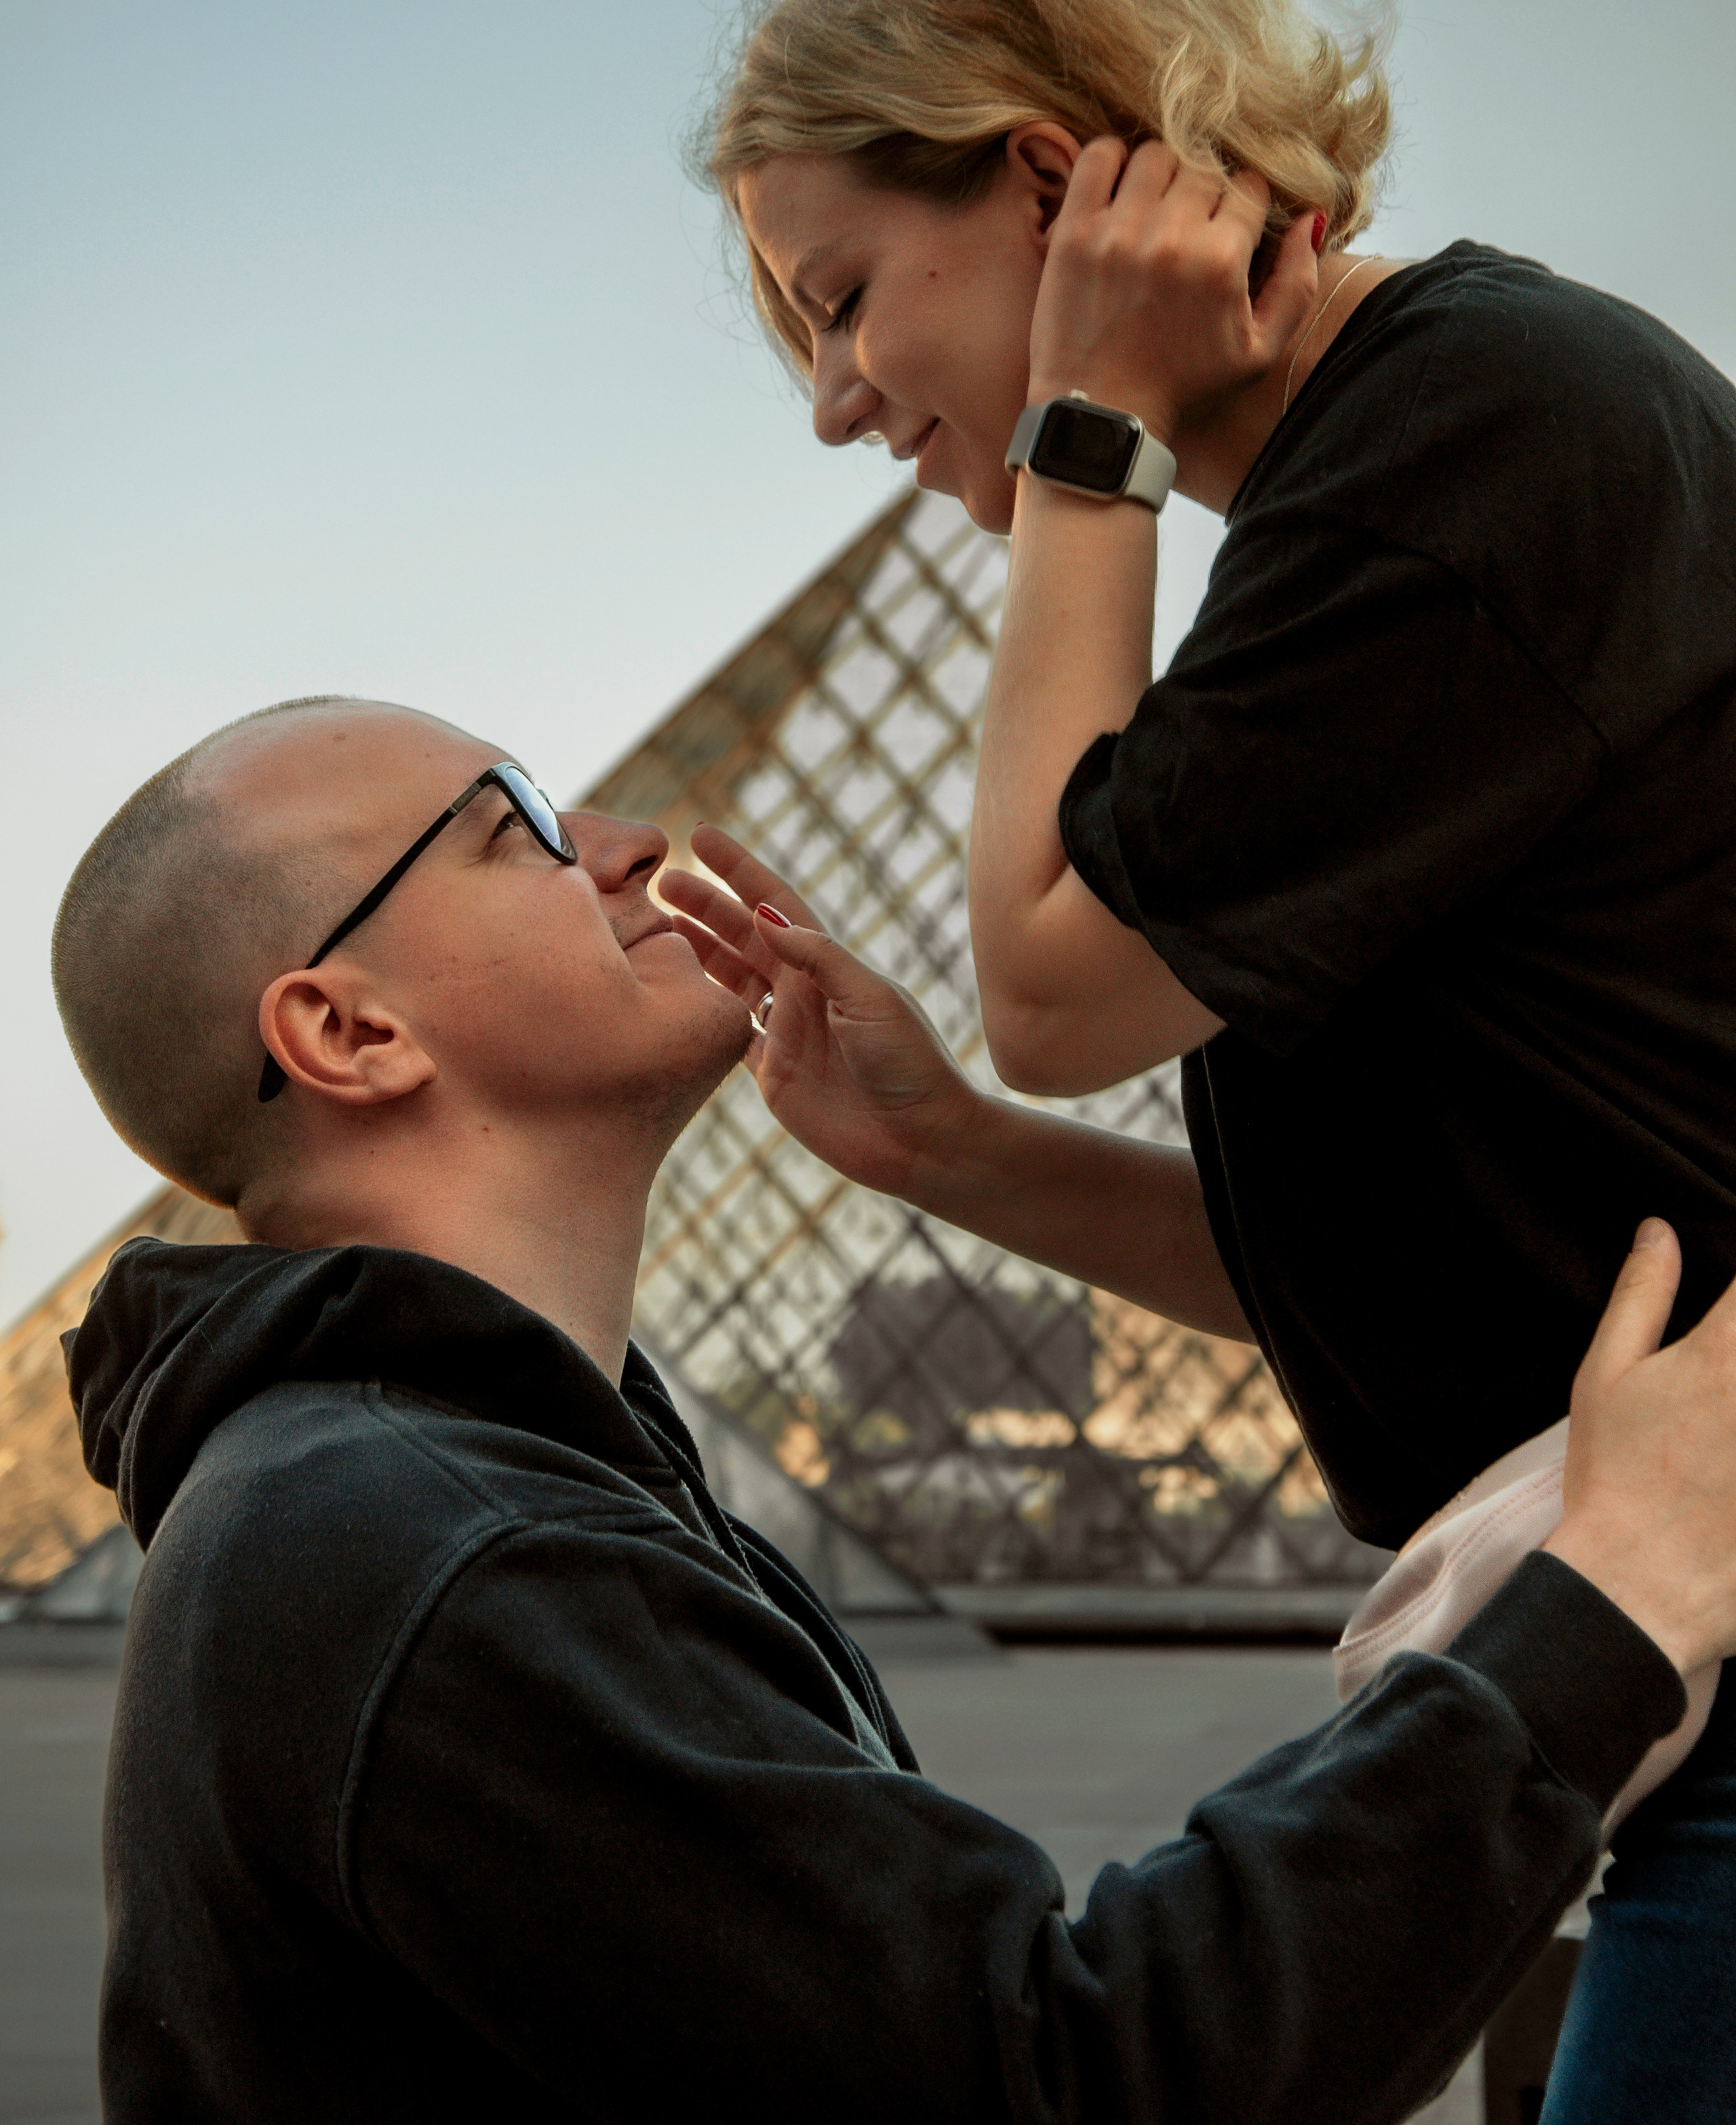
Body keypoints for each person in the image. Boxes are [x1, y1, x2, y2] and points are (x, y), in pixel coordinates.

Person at [49, 692, 1736, 2124]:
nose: (632, 837)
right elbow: (1073, 2075)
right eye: (518, 825)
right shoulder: (441, 1552)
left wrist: (954, 1150)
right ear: (347, 1029)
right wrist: (1604, 1596)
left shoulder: (413, 1489)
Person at [703, 0, 1736, 2118]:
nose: (833, 400)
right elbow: (1418, 1276)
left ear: (1056, 185)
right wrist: (940, 1154)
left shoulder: (1467, 436)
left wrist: (1085, 460)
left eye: (841, 293)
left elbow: (1057, 983)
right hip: (1657, 1661)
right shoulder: (1385, 472)